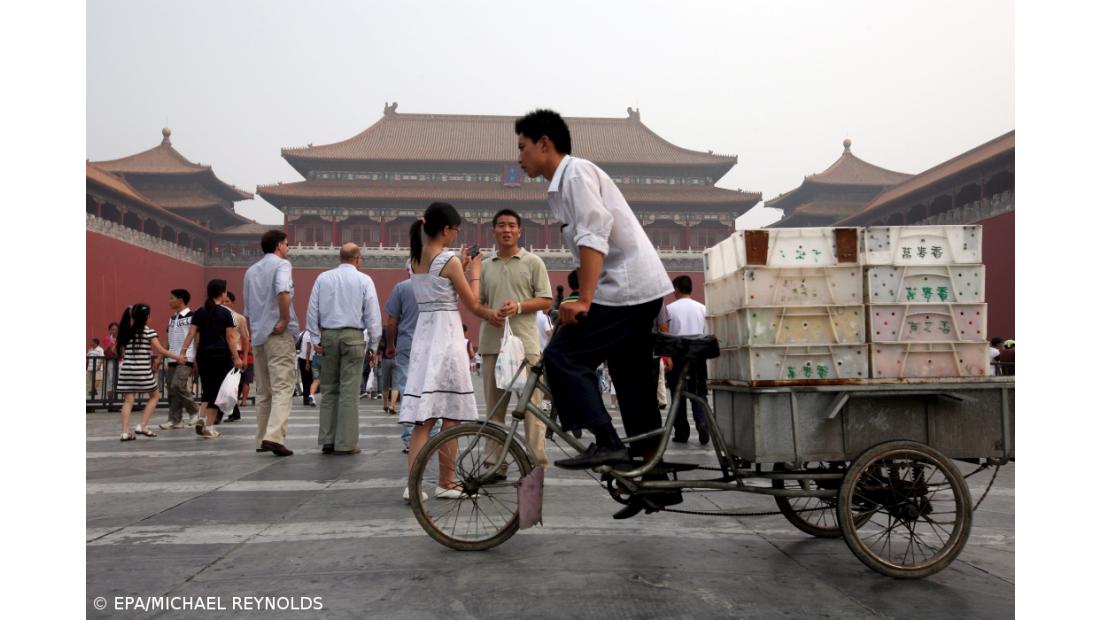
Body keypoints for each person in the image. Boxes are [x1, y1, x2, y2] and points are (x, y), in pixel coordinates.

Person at [515, 109, 679, 518]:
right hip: (633, 288)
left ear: (544, 143)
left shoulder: (575, 176)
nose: (518, 158)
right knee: (632, 385)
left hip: (625, 288)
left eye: (522, 147)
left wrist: (583, 299)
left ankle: (607, 441)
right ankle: (653, 483)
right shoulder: (565, 182)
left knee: (562, 356)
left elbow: (594, 235)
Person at [401, 201, 487, 501]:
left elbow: (438, 285)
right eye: (455, 231)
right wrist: (474, 270)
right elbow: (473, 303)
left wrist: (460, 268)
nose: (455, 236)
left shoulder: (412, 260)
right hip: (447, 338)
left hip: (424, 338)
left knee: (422, 421)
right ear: (446, 229)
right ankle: (447, 481)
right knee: (450, 415)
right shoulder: (448, 260)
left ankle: (413, 486)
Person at [478, 208, 554, 471]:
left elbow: (546, 299)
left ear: (519, 231)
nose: (506, 230)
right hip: (492, 344)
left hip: (526, 345)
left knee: (532, 408)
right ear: (494, 231)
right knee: (495, 408)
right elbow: (477, 303)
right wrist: (490, 314)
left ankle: (536, 462)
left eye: (511, 225)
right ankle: (494, 462)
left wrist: (519, 307)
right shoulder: (485, 266)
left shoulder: (533, 262)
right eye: (501, 225)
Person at [306, 242, 382, 455]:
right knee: (349, 391)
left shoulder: (323, 278)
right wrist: (374, 345)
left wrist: (315, 339)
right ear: (358, 259)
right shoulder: (364, 280)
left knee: (329, 389)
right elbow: (373, 316)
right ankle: (346, 443)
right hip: (354, 336)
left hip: (328, 335)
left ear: (340, 258)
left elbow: (312, 310)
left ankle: (327, 440)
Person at [244, 229, 300, 457]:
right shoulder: (282, 265)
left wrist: (255, 330)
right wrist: (285, 319)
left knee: (264, 390)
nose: (288, 248)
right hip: (277, 333)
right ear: (279, 245)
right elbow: (283, 291)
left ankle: (261, 438)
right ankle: (274, 436)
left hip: (258, 334)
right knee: (283, 386)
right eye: (287, 244)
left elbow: (247, 309)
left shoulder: (250, 271)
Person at [179, 279, 244, 439]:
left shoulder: (200, 311)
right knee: (218, 392)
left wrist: (183, 352)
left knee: (208, 388)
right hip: (221, 355)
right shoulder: (226, 313)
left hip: (203, 355)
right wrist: (236, 358)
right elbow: (230, 337)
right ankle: (209, 427)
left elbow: (191, 334)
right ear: (222, 294)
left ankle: (201, 418)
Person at [384, 263, 434, 454]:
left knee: (407, 390)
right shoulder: (435, 286)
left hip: (406, 344)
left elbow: (391, 320)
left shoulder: (401, 287)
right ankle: (433, 434)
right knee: (431, 388)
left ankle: (409, 438)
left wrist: (390, 344)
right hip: (430, 343)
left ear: (408, 270)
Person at [115, 304, 180, 441]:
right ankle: (142, 426)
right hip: (143, 371)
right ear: (147, 317)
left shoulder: (126, 331)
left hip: (126, 371)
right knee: (155, 396)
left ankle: (125, 432)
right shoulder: (148, 332)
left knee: (128, 401)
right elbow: (161, 350)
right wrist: (178, 357)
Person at [665, 275, 710, 445]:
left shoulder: (669, 309)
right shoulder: (702, 308)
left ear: (676, 289)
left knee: (677, 395)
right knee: (699, 392)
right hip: (698, 356)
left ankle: (681, 432)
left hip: (677, 356)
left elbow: (665, 334)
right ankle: (702, 422)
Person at [159, 289, 200, 429]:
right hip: (172, 357)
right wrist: (160, 356)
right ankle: (175, 420)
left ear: (180, 299)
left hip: (186, 357)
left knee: (178, 385)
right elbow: (167, 339)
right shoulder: (172, 318)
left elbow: (196, 338)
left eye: (171, 298)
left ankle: (195, 411)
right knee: (171, 389)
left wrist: (196, 358)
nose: (169, 301)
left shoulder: (192, 316)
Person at [222, 292, 252, 424]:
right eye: (223, 301)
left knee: (233, 385)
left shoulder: (240, 318)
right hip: (222, 353)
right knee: (224, 385)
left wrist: (244, 358)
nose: (224, 304)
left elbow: (246, 338)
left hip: (237, 354)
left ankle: (230, 412)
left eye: (227, 301)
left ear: (233, 303)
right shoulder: (217, 316)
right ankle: (233, 412)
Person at [377, 325, 398, 415]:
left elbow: (381, 346)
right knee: (395, 384)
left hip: (385, 359)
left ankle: (385, 404)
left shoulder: (384, 330)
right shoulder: (400, 329)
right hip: (397, 358)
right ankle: (392, 405)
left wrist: (379, 355)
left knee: (385, 382)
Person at [296, 330, 315, 406]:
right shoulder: (310, 334)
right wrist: (307, 363)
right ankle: (307, 398)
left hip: (301, 358)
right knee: (309, 380)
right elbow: (308, 349)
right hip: (308, 359)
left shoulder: (302, 333)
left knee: (304, 379)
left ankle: (305, 399)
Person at [103, 322, 120, 400]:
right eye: (112, 329)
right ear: (109, 330)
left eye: (116, 329)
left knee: (121, 380)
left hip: (120, 361)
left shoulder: (121, 339)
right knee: (110, 380)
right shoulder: (107, 339)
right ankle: (110, 402)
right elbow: (105, 352)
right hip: (110, 361)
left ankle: (123, 402)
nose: (114, 331)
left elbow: (120, 352)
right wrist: (109, 345)